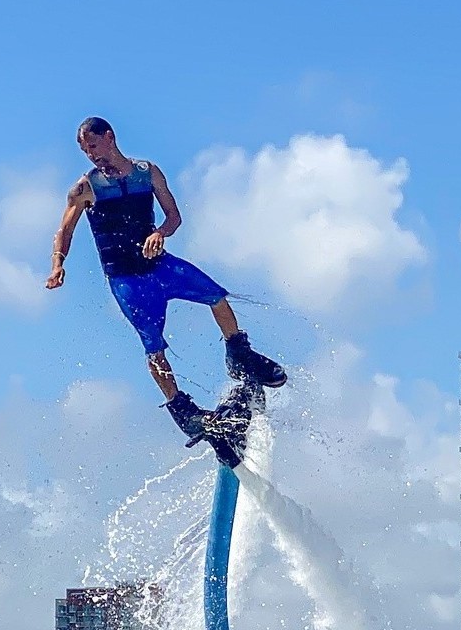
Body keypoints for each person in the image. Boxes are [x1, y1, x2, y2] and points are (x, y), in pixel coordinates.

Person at [46, 117, 285, 455]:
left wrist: (160, 233)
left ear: (109, 137)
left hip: (161, 267)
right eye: (85, 150)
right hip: (127, 280)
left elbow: (174, 216)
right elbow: (65, 230)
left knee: (217, 297)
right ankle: (183, 411)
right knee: (154, 348)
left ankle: (239, 354)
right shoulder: (87, 188)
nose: (90, 155)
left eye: (93, 146)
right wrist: (58, 264)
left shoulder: (148, 172)